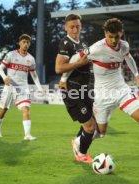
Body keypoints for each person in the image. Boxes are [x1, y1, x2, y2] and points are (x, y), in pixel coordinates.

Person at [67, 18, 139, 168]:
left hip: (122, 91)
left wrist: (136, 75)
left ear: (121, 34)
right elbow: (76, 57)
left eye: (117, 36)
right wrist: (65, 78)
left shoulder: (124, 46)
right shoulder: (96, 48)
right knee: (101, 133)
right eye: (110, 36)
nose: (114, 40)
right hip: (103, 97)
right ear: (105, 34)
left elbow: (129, 58)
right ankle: (77, 142)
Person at [55, 14, 97, 163]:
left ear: (81, 26)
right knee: (90, 126)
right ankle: (81, 154)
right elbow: (59, 67)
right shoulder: (65, 43)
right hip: (72, 90)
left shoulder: (83, 43)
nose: (75, 29)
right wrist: (78, 66)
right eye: (72, 26)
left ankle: (77, 143)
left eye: (77, 26)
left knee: (93, 125)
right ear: (66, 27)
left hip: (85, 89)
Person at [0, 34, 43, 141]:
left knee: (26, 109)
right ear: (19, 42)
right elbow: (0, 69)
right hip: (10, 87)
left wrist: (39, 87)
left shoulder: (31, 59)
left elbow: (34, 75)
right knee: (3, 110)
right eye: (24, 42)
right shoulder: (11, 55)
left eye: (28, 42)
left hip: (23, 88)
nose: (26, 44)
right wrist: (4, 77)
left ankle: (27, 135)